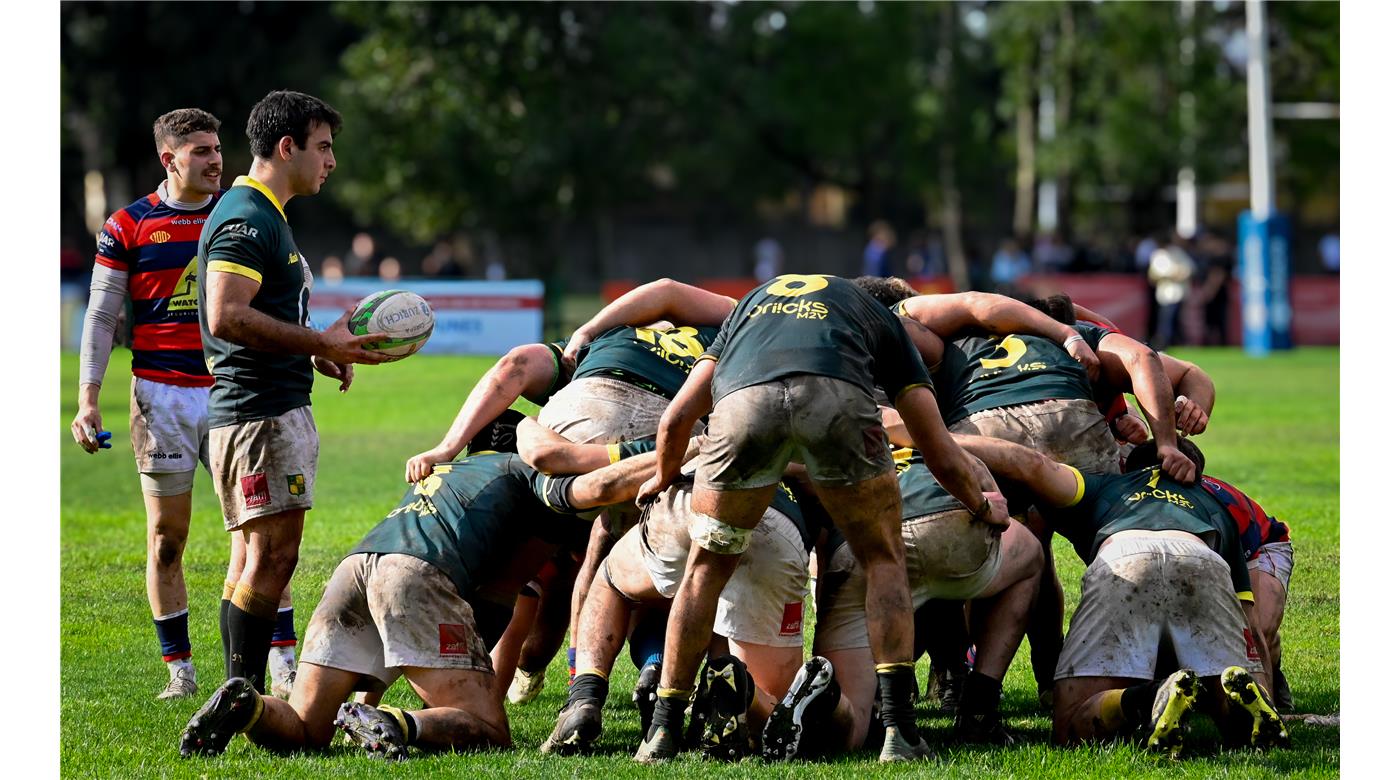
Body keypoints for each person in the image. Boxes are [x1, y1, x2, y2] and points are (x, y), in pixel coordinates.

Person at [635, 274, 1010, 763]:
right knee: (882, 557)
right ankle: (898, 731)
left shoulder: (749, 306)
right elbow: (938, 449)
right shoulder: (883, 320)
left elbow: (676, 418)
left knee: (706, 569)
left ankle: (662, 732)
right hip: (834, 400)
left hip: (744, 406)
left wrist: (662, 475)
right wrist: (983, 505)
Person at [177, 414, 656, 760]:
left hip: (354, 570)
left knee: (305, 728)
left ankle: (249, 705)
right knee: (489, 730)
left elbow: (479, 612)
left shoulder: (451, 471)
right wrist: (671, 449)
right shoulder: (521, 472)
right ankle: (393, 724)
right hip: (415, 576)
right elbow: (588, 495)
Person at [70, 108, 309, 700]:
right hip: (160, 396)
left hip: (236, 393)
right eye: (199, 150)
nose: (214, 159)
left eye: (217, 148)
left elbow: (291, 290)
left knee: (261, 533)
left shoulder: (242, 213)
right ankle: (180, 671)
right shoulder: (128, 225)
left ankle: (280, 660)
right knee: (166, 538)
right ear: (168, 159)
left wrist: (316, 347)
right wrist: (88, 399)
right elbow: (101, 316)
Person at [196, 90, 389, 696]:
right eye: (324, 147)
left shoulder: (266, 215)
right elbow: (225, 314)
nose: (331, 161)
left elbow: (256, 315)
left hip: (268, 410)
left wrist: (313, 350)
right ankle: (244, 699)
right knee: (272, 561)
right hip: (259, 416)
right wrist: (320, 342)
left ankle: (239, 696)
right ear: (288, 147)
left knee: (259, 560)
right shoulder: (247, 216)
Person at [954, 435, 1288, 755]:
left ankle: (1149, 697)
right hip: (1202, 556)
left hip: (1125, 555)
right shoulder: (1215, 503)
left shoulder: (1106, 486)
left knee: (1070, 725)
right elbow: (1250, 624)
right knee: (1229, 691)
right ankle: (1238, 705)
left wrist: (935, 437)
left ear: (1128, 468)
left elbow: (1030, 463)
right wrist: (1268, 692)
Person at [521, 418, 815, 760]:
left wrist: (547, 479)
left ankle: (585, 698)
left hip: (695, 501)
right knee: (775, 710)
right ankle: (744, 693)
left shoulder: (693, 433)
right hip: (779, 528)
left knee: (610, 581)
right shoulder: (810, 438)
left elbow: (601, 484)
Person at [785, 446, 1044, 758]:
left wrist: (833, 616)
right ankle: (979, 708)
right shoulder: (916, 430)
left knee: (853, 728)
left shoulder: (829, 444)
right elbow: (972, 467)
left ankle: (830, 699)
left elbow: (822, 543)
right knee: (1030, 551)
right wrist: (991, 505)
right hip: (946, 524)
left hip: (858, 550)